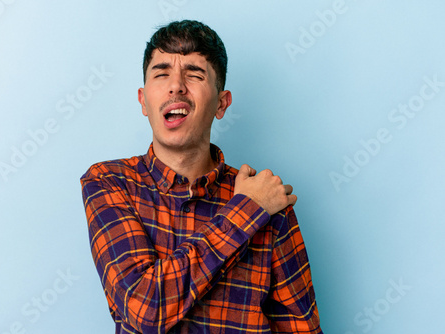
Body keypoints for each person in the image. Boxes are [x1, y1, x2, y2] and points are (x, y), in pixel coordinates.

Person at [81, 20, 323, 333]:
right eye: (162, 73)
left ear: (221, 104)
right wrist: (247, 210)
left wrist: (258, 204)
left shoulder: (270, 200)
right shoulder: (109, 182)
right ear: (143, 100)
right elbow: (144, 309)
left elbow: (301, 328)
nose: (176, 85)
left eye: (194, 74)